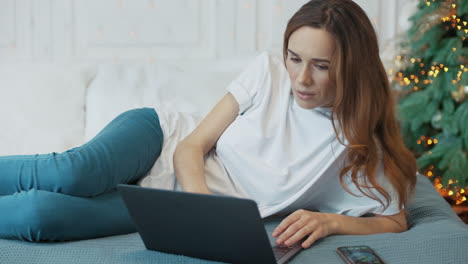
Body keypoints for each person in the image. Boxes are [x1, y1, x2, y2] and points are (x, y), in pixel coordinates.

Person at [0, 0, 417, 249]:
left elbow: (394, 220)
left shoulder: (358, 147)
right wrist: (206, 214)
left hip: (169, 205)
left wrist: (331, 221)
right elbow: (191, 146)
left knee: (40, 216)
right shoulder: (268, 73)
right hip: (160, 141)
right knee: (72, 173)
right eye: (295, 58)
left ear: (354, 67)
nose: (301, 79)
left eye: (321, 66)